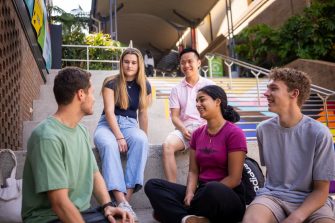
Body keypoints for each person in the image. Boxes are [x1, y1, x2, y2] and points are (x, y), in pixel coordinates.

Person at [22, 67, 134, 223]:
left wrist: (107, 205)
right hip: (49, 218)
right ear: (81, 94)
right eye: (92, 93)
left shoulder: (80, 130)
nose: (94, 99)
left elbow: (94, 174)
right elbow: (60, 204)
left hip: (81, 213)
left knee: (125, 220)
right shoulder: (47, 137)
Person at [242, 68, 335, 223]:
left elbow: (321, 190)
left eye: (273, 89)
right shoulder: (263, 130)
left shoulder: (320, 133)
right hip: (273, 196)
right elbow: (273, 176)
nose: (266, 93)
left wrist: (295, 218)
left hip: (313, 201)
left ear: (294, 93)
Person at [145, 85, 247, 223]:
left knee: (211, 188)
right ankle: (188, 219)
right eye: (196, 101)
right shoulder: (197, 134)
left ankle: (176, 213)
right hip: (201, 192)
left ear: (217, 102)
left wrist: (201, 195)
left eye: (202, 100)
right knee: (153, 185)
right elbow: (193, 171)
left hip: (226, 195)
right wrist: (190, 193)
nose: (198, 104)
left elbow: (234, 178)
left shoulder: (234, 133)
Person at [94, 48, 152, 222]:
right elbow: (110, 113)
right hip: (107, 125)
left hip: (130, 125)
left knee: (141, 140)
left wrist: (145, 136)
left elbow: (143, 114)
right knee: (109, 144)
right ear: (121, 63)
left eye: (134, 62)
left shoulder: (145, 85)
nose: (129, 65)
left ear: (139, 65)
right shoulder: (110, 82)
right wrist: (119, 137)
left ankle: (125, 202)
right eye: (126, 61)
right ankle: (121, 201)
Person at [163, 48, 215, 183]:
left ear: (198, 63)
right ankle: (172, 189)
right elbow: (174, 117)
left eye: (190, 61)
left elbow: (216, 112)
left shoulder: (210, 85)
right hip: (184, 129)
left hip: (206, 128)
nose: (186, 65)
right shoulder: (176, 89)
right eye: (182, 63)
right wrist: (183, 129)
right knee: (167, 145)